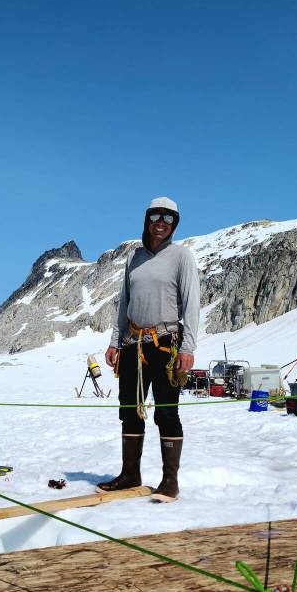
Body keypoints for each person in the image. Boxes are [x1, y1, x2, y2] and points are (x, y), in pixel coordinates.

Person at [99, 197, 200, 502]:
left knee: (167, 412)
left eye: (168, 219)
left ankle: (170, 481)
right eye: (156, 216)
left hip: (166, 343)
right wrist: (115, 341)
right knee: (130, 411)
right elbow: (124, 303)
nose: (161, 222)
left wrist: (188, 347)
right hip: (132, 344)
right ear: (147, 219)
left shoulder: (182, 257)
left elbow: (192, 303)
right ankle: (131, 474)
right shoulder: (134, 258)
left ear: (174, 224)